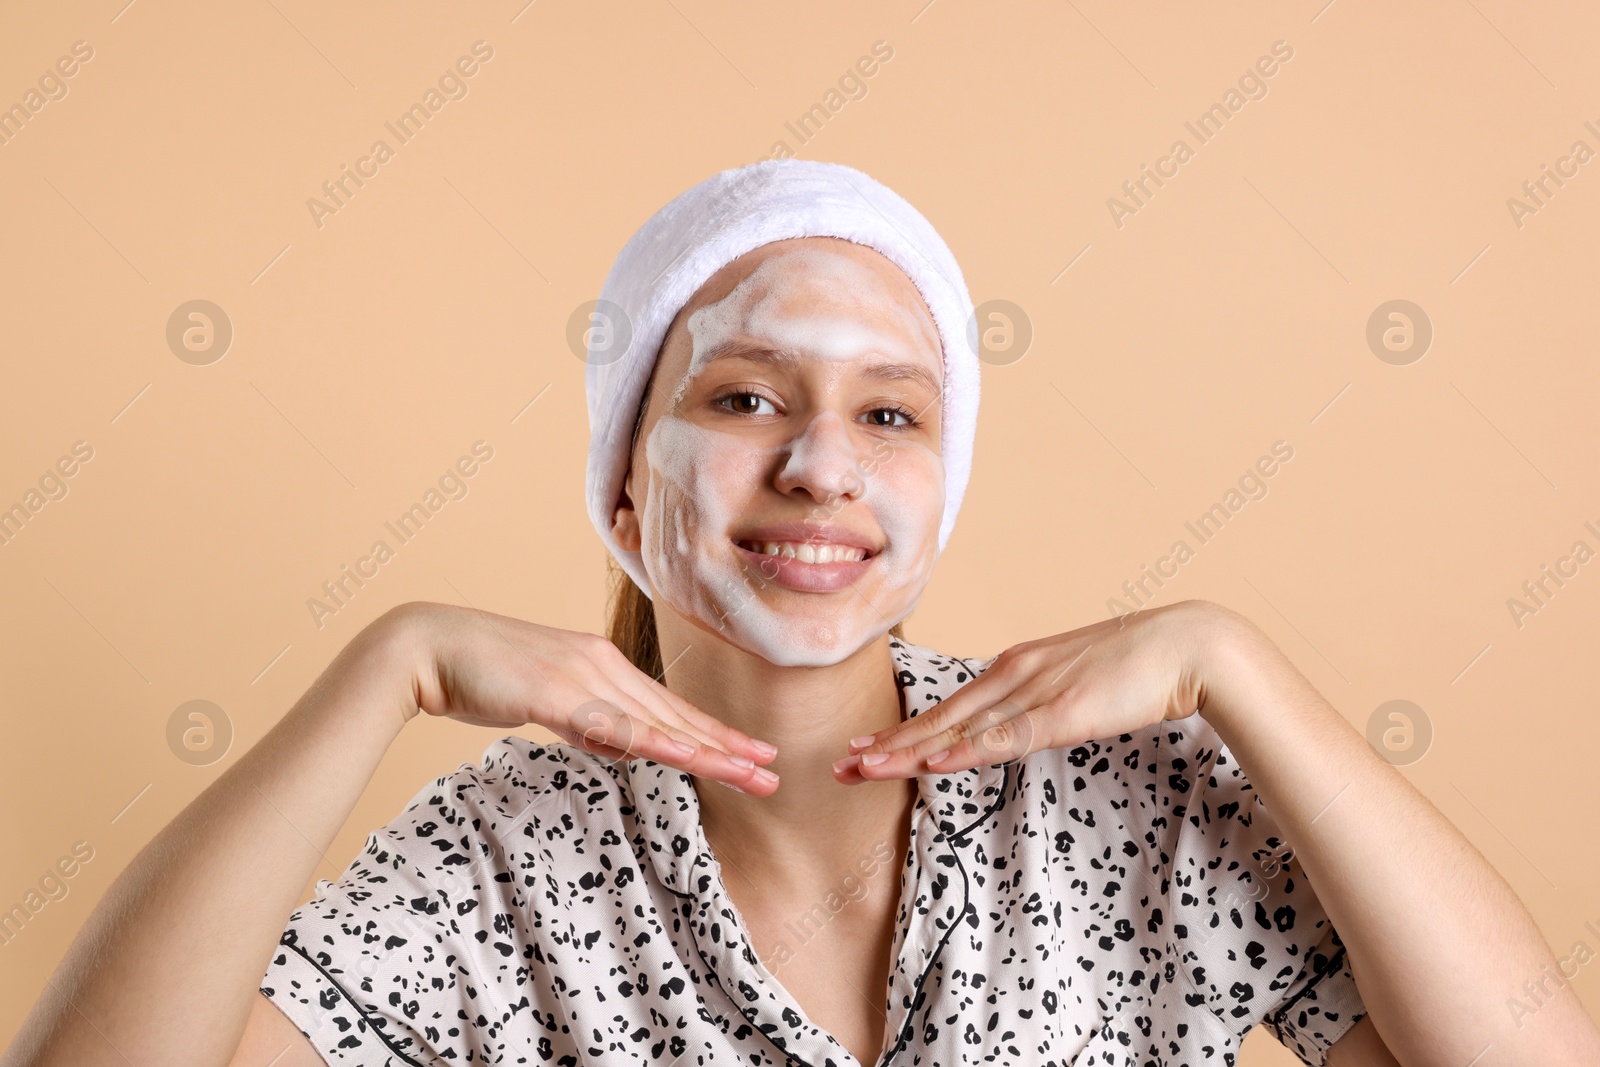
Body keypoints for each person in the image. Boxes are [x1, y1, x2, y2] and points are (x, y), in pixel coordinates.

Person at [7, 160, 1598, 1067]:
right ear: (625, 497)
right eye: (749, 395)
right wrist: (383, 673)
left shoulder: (1129, 809)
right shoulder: (494, 867)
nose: (823, 465)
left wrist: (1240, 671)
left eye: (893, 418)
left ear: (939, 498)